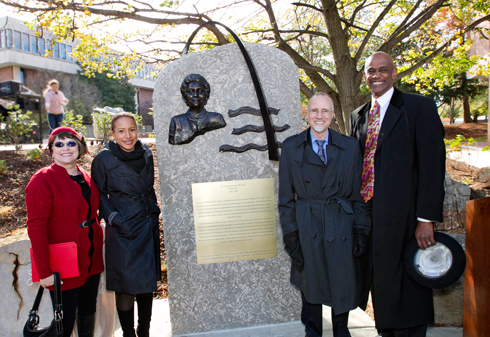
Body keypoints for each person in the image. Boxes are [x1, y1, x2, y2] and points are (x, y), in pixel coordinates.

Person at [350, 52, 446, 336]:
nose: (376, 75)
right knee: (382, 283)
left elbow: (432, 165)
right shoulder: (359, 115)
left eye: (382, 70)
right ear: (365, 76)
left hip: (406, 217)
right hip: (370, 216)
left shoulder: (419, 107)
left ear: (394, 74)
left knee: (408, 287)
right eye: (371, 71)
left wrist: (425, 218)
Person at [279, 92, 371, 337]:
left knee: (341, 279)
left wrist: (362, 229)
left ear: (332, 115)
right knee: (311, 282)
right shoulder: (291, 146)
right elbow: (285, 199)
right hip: (307, 223)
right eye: (314, 111)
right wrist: (290, 235)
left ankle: (341, 331)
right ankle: (313, 332)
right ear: (306, 114)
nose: (319, 116)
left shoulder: (350, 147)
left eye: (325, 111)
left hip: (341, 223)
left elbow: (359, 193)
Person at [26, 126, 104, 337]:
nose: (65, 148)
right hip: (63, 262)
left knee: (88, 310)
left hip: (90, 258)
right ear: (51, 150)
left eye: (71, 143)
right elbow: (36, 228)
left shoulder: (84, 175)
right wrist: (44, 271)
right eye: (58, 144)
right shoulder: (42, 180)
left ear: (79, 146)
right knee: (65, 320)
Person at [91, 112, 161, 337]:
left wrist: (154, 213)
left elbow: (148, 187)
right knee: (125, 287)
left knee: (146, 284)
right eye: (121, 131)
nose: (127, 135)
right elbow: (98, 194)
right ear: (113, 134)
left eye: (131, 129)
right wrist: (114, 219)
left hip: (146, 224)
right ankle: (128, 334)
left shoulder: (146, 152)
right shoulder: (104, 159)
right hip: (122, 230)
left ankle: (144, 332)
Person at [169, 73, 226, 145]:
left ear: (206, 95)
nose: (195, 95)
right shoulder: (176, 121)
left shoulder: (217, 119)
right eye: (190, 91)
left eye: (200, 91)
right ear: (185, 96)